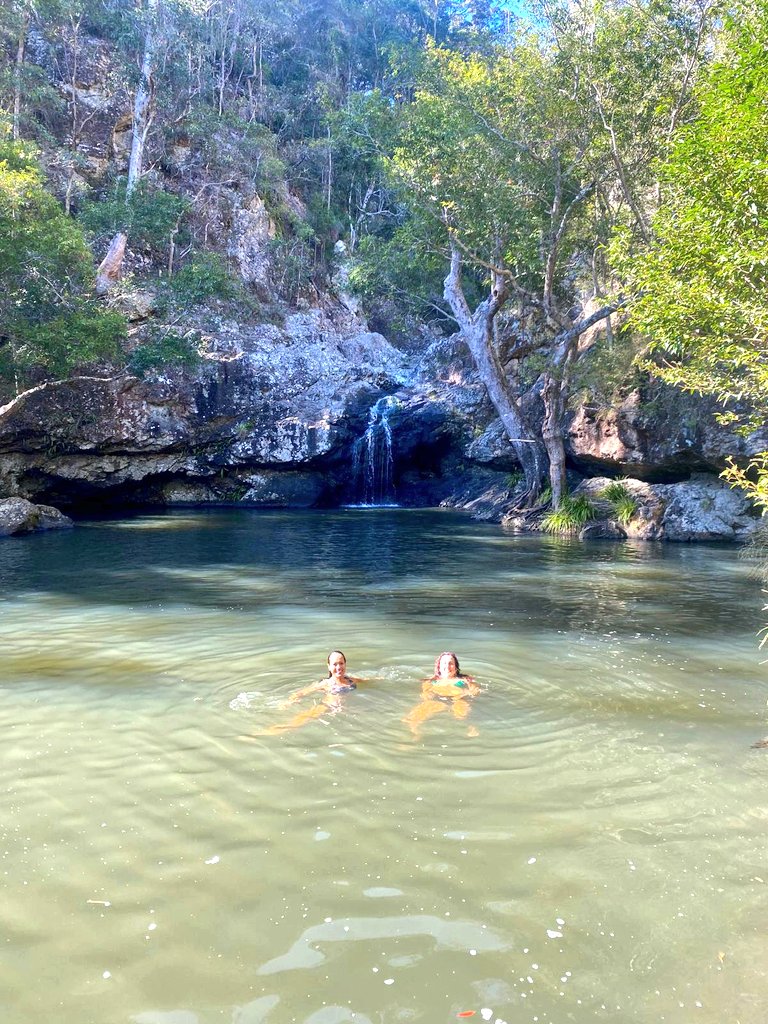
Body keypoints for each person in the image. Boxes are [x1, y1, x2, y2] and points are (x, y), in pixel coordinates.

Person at [262, 650, 363, 735]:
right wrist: (289, 701)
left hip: (345, 710)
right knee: (294, 725)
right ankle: (263, 734)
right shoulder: (325, 683)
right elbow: (302, 692)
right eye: (335, 664)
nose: (339, 667)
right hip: (325, 708)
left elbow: (367, 680)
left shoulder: (350, 680)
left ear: (345, 664)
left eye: (341, 663)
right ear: (329, 666)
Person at [404, 651, 481, 739]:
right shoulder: (431, 681)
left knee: (461, 711)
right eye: (444, 663)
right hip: (437, 699)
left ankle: (471, 726)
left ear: (456, 666)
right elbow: (425, 692)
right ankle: (414, 731)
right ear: (439, 666)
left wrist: (466, 693)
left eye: (450, 663)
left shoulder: (464, 679)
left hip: (458, 699)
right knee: (418, 713)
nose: (447, 666)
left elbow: (475, 691)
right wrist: (426, 694)